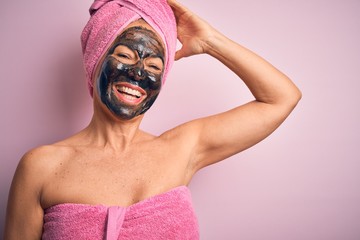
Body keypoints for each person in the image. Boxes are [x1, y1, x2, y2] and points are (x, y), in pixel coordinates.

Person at [4, 0, 301, 239]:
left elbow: (281, 97)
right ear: (95, 60)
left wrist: (210, 41)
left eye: (155, 65)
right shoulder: (40, 167)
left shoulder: (181, 149)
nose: (138, 74)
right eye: (124, 55)